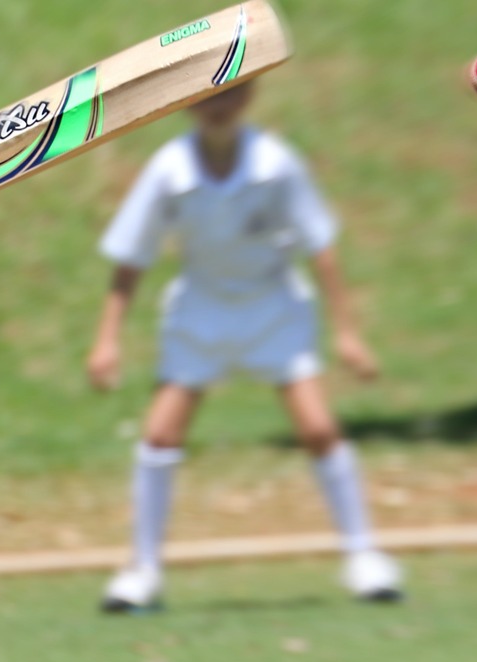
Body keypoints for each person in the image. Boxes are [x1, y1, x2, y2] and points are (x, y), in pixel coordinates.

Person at [84, 81, 402, 614]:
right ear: (184, 103)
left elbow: (321, 247)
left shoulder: (277, 164)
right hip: (201, 309)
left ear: (249, 98)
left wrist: (348, 334)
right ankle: (142, 571)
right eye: (205, 97)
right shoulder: (169, 171)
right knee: (160, 436)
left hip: (272, 304)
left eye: (230, 95)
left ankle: (364, 557)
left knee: (319, 429)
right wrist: (107, 338)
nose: (217, 107)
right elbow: (132, 257)